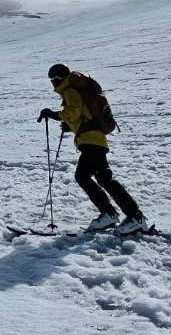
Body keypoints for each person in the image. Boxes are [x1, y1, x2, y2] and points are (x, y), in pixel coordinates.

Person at [37, 63, 147, 234]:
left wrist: (52, 114)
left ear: (61, 77)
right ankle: (129, 216)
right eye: (52, 79)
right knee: (104, 179)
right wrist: (72, 126)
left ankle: (116, 215)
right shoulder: (73, 89)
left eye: (55, 78)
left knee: (82, 176)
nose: (54, 82)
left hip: (91, 143)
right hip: (95, 141)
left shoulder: (69, 90)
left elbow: (73, 112)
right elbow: (82, 114)